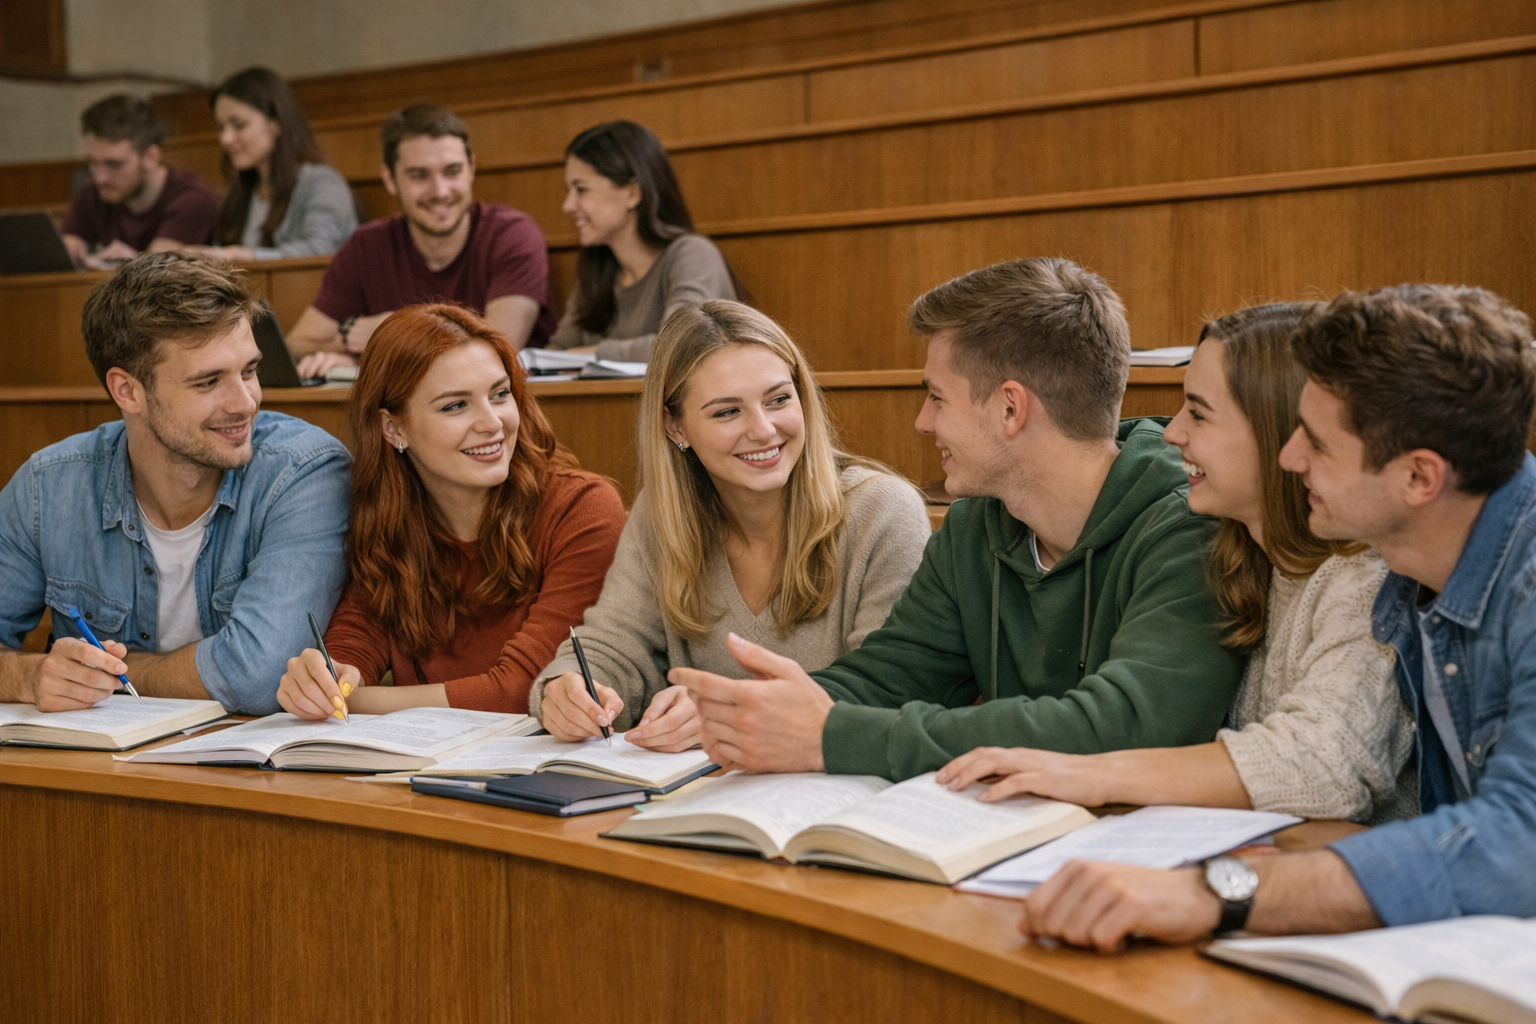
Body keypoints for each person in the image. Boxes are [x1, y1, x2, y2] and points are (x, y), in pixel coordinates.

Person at [1016, 283, 1536, 951]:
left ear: (1419, 478)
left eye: (1317, 445)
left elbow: (1510, 847)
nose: (1290, 459)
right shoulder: (1415, 572)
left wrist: (1214, 893)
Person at [668, 258, 1245, 777]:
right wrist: (742, 710)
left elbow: (1127, 726)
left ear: (1010, 408)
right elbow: (889, 676)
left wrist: (833, 738)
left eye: (937, 397)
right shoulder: (975, 526)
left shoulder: (1186, 523)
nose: (923, 422)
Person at [936, 303, 1415, 824]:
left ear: (1279, 435)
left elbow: (1322, 763)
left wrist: (1096, 772)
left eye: (1199, 413)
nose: (1172, 432)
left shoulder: (1367, 575)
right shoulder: (1240, 557)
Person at [533, 300, 931, 751]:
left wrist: (724, 713)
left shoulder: (882, 510)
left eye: (779, 399)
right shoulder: (662, 514)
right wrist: (571, 691)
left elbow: (886, 689)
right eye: (727, 412)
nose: (763, 430)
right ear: (674, 427)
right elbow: (614, 645)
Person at [0, 252, 349, 714]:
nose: (245, 402)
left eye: (249, 370)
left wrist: (103, 677)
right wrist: (27, 676)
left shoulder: (304, 472)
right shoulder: (49, 487)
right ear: (127, 390)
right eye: (208, 382)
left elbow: (257, 676)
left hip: (248, 776)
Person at [275, 304, 624, 718]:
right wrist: (321, 679)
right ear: (394, 428)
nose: (492, 423)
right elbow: (351, 652)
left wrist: (356, 701)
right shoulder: (391, 521)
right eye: (455, 406)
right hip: (419, 774)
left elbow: (525, 690)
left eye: (499, 394)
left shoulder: (582, 509)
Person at [286, 104, 557, 378]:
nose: (440, 191)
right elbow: (296, 345)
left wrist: (389, 336)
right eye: (419, 176)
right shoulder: (366, 245)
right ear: (390, 179)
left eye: (452, 171)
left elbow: (499, 348)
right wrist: (346, 345)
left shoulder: (512, 235)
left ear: (471, 169)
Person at [547, 120, 738, 363]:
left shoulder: (693, 253)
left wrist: (593, 354)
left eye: (581, 189)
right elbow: (554, 354)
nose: (568, 206)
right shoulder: (598, 270)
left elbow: (680, 343)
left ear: (632, 193)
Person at [184, 67, 357, 262]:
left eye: (238, 125)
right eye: (221, 127)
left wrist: (240, 255)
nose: (226, 139)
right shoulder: (242, 189)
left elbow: (320, 251)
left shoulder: (322, 182)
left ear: (275, 123)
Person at [60, 95, 219, 269]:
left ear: (151, 157)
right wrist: (70, 250)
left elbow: (159, 272)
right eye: (93, 163)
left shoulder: (191, 198)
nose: (100, 178)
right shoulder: (92, 192)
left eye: (114, 164)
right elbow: (68, 245)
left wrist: (133, 262)